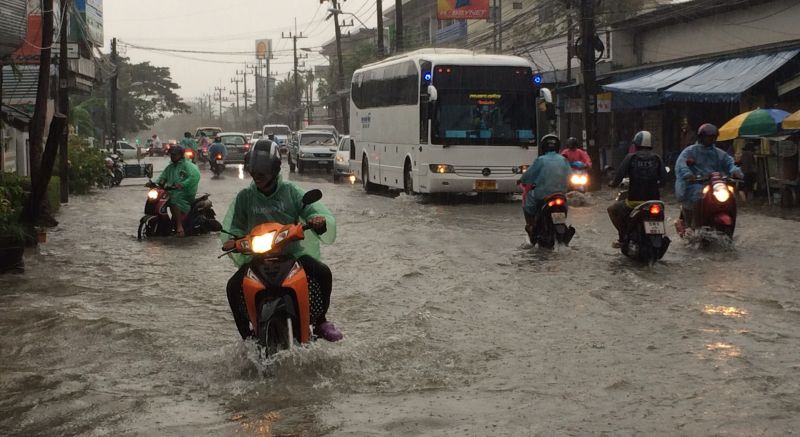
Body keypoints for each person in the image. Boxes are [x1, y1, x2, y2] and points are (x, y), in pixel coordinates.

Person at [221, 140, 342, 342]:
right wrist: (233, 240)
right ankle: (246, 334)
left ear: (275, 170)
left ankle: (320, 321)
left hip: (292, 254)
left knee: (322, 273)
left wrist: (317, 221)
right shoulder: (245, 197)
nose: (257, 176)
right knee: (233, 287)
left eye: (263, 172)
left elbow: (312, 211)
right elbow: (236, 227)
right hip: (258, 256)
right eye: (254, 171)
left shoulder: (291, 192)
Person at [675, 123, 743, 232]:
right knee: (697, 195)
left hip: (716, 184)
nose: (711, 139)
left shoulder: (719, 153)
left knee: (731, 196)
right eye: (708, 137)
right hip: (697, 184)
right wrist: (688, 174)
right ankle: (692, 225)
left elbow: (729, 162)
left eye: (713, 137)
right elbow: (681, 164)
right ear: (701, 137)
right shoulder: (690, 151)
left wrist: (735, 171)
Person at [607, 131, 668, 247]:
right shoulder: (657, 158)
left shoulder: (631, 157)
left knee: (612, 209)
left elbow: (619, 176)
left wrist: (612, 183)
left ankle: (623, 237)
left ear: (636, 144)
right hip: (655, 202)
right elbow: (664, 179)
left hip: (634, 201)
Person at [520, 134, 571, 241]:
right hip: (561, 195)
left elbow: (528, 176)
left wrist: (522, 180)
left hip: (543, 195)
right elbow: (570, 177)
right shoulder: (564, 160)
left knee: (526, 200)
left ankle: (531, 226)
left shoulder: (540, 160)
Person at [156, 145, 201, 237]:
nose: (172, 157)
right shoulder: (170, 167)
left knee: (174, 200)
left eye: (174, 155)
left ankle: (179, 227)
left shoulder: (188, 165)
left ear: (180, 155)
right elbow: (162, 177)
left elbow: (194, 176)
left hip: (186, 192)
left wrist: (183, 184)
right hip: (173, 191)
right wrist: (155, 184)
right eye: (171, 155)